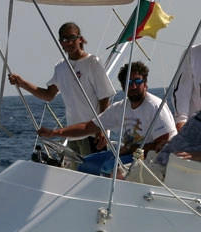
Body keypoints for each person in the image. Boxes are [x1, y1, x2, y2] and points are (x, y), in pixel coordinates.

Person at [38, 62, 175, 176]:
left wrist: (129, 149)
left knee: (109, 168)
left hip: (153, 159)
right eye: (129, 82)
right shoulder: (120, 108)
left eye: (138, 81)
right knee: (84, 164)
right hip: (129, 154)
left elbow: (163, 144)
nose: (133, 86)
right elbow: (88, 127)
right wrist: (55, 133)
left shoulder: (155, 106)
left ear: (145, 84)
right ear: (123, 87)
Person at [8, 22, 116, 156]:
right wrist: (22, 83)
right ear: (60, 42)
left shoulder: (92, 63)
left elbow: (104, 98)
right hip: (72, 135)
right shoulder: (60, 68)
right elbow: (48, 95)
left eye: (72, 38)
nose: (69, 43)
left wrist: (103, 129)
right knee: (74, 174)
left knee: (90, 174)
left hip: (92, 135)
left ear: (80, 39)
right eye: (65, 39)